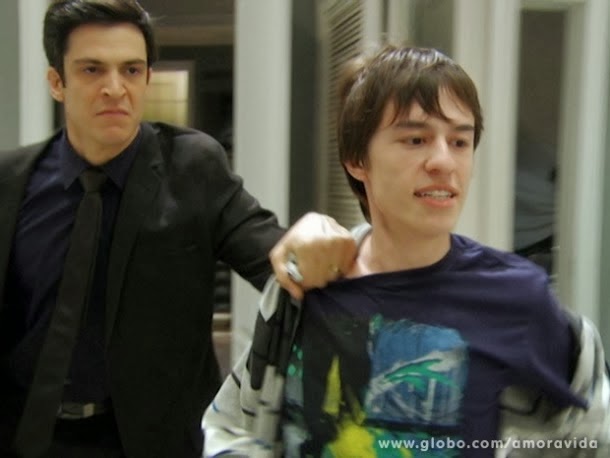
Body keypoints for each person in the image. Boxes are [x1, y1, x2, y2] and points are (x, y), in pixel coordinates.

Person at [202, 45, 610, 457]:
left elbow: (592, 432)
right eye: (416, 139)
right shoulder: (306, 283)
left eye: (460, 141)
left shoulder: (515, 296)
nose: (443, 161)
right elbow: (233, 426)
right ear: (356, 159)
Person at [0, 1, 357, 457]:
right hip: (27, 435)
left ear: (147, 77)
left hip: (156, 442)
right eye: (92, 70)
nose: (115, 88)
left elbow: (268, 249)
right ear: (56, 81)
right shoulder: (12, 180)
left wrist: (309, 239)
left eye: (131, 70)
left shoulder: (193, 167)